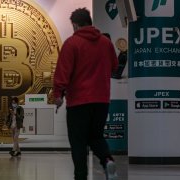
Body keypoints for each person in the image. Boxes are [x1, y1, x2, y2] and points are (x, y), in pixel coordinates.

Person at [53, 8, 118, 180]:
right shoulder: (106, 42)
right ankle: (107, 160)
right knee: (96, 136)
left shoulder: (72, 43)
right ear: (89, 21)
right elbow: (114, 66)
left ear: (74, 24)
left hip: (79, 102)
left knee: (78, 141)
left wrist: (58, 95)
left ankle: (80, 176)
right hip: (102, 101)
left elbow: (62, 72)